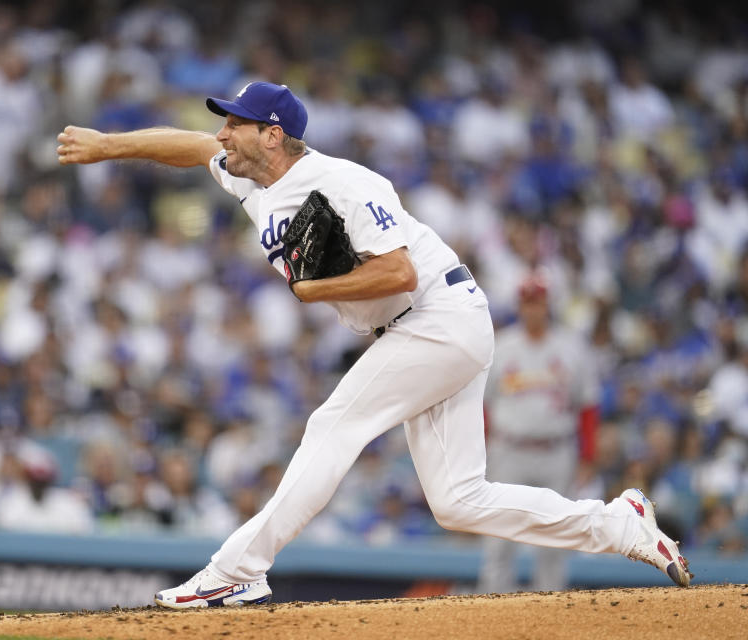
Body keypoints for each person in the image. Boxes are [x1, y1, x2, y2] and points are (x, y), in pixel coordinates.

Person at [56, 81, 692, 608]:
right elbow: (192, 148)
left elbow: (399, 271)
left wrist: (318, 288)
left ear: (272, 135)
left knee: (335, 423)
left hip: (436, 313)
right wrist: (109, 145)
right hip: (424, 327)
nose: (223, 133)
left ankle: (236, 570)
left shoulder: (344, 183)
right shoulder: (252, 178)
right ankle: (619, 524)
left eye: (236, 124)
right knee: (458, 501)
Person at [478, 273, 601, 593]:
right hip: (509, 451)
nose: (534, 309)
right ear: (520, 306)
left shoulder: (572, 347)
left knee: (555, 540)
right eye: (528, 302)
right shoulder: (502, 346)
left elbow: (588, 407)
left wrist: (588, 456)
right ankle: (493, 615)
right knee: (500, 539)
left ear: (548, 306)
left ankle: (551, 618)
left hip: (556, 452)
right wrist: (479, 451)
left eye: (539, 302)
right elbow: (482, 406)